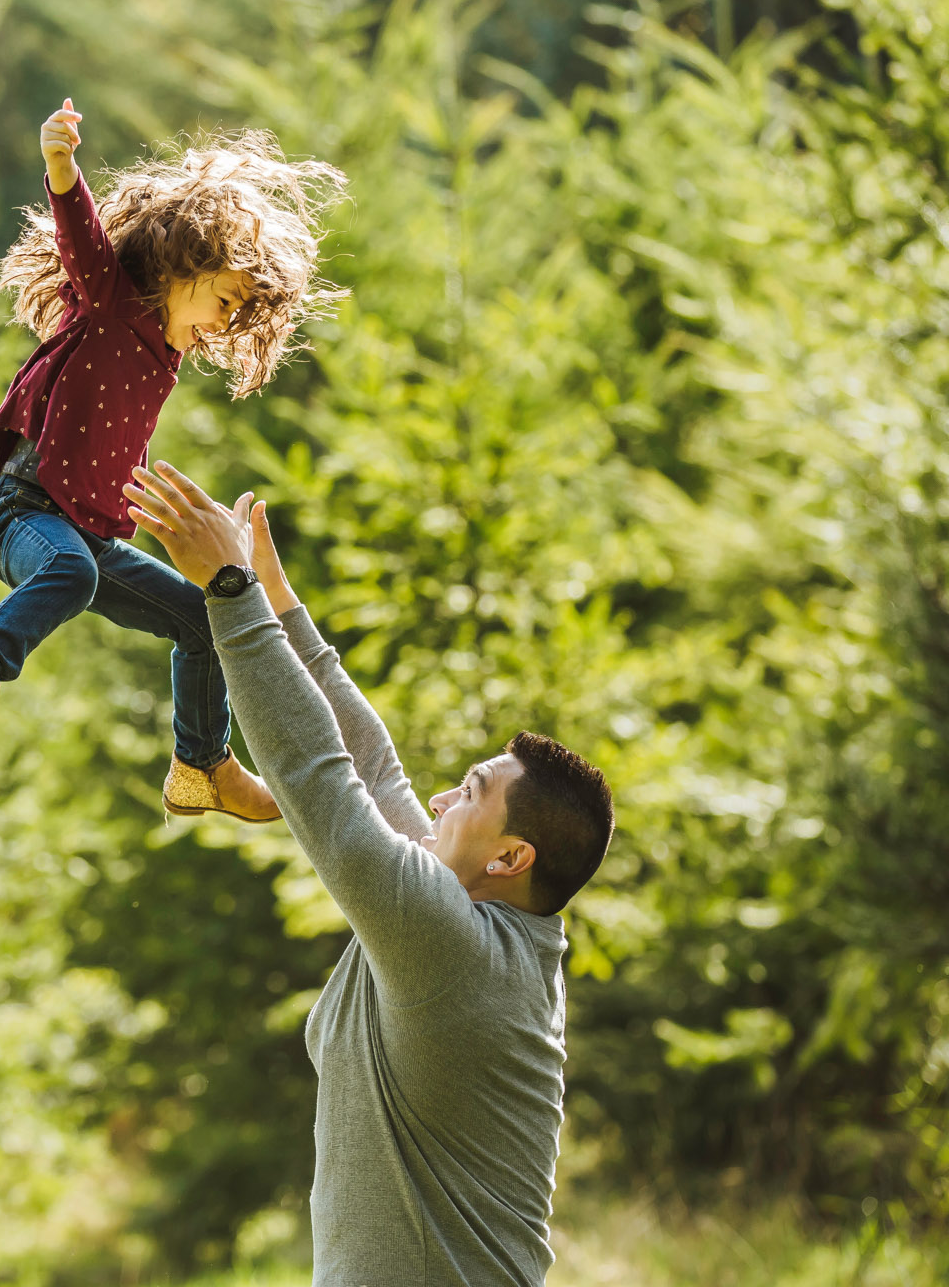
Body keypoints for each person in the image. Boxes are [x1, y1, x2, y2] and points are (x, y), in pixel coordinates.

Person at [124, 461, 615, 1287]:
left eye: (469, 795)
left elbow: (324, 781)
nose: (438, 797)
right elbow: (375, 771)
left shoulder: (452, 944)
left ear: (508, 858)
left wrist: (233, 593)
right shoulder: (479, 920)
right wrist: (282, 608)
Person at [0, 100, 346, 824]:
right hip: (25, 515)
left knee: (201, 622)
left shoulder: (164, 354)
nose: (224, 324)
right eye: (224, 299)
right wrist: (62, 168)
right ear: (183, 265)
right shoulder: (111, 302)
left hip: (89, 540)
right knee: (69, 572)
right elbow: (84, 238)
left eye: (236, 316)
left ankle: (201, 766)